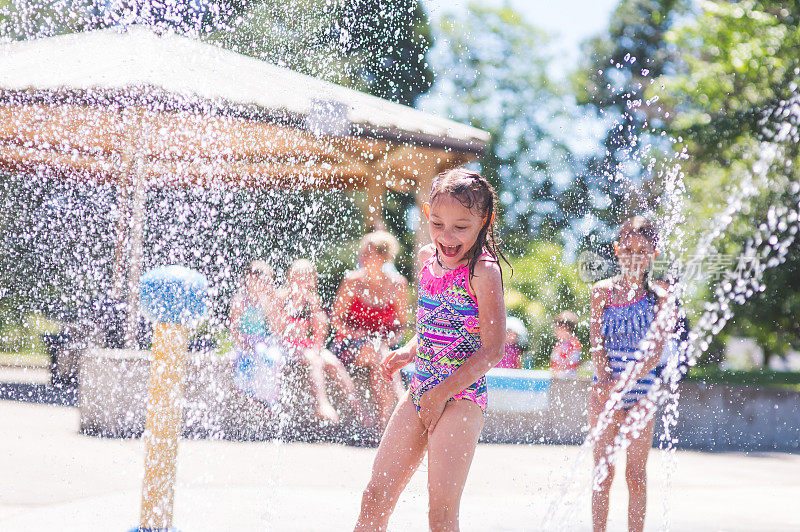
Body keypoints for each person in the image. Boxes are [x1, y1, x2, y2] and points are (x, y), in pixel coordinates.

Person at [354, 168, 508, 532]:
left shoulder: (483, 271)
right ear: (427, 214)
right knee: (375, 496)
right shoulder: (427, 258)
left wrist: (442, 393)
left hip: (461, 398)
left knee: (440, 514)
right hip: (421, 390)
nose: (447, 237)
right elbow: (436, 320)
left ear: (483, 221)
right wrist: (411, 349)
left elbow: (493, 350)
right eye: (438, 224)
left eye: (461, 226)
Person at [588, 216, 676, 532]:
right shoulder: (602, 292)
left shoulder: (661, 298)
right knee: (603, 471)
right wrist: (605, 380)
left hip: (641, 393)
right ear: (616, 250)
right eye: (628, 248)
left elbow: (654, 353)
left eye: (642, 249)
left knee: (635, 474)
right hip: (604, 390)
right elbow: (596, 341)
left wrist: (625, 384)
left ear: (653, 253)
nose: (634, 255)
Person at [331, 231, 410, 430]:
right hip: (351, 345)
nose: (361, 257)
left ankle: (382, 425)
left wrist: (392, 339)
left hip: (383, 346)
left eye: (368, 253)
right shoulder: (352, 281)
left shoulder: (398, 285)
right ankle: (398, 411)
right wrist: (354, 334)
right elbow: (336, 320)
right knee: (379, 354)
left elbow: (402, 325)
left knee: (379, 361)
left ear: (382, 257)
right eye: (362, 253)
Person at [276, 259, 369, 425]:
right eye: (299, 276)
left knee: (334, 363)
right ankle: (322, 403)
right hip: (285, 344)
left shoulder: (312, 300)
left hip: (305, 345)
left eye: (306, 276)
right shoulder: (281, 298)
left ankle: (359, 410)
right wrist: (294, 303)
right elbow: (277, 328)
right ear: (291, 277)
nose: (302, 280)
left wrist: (315, 312)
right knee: (314, 360)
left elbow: (319, 332)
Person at [229, 260, 284, 406]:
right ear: (247, 279)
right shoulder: (240, 301)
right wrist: (244, 344)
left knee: (271, 356)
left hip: (266, 341)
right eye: (256, 274)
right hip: (246, 342)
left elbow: (276, 330)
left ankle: (269, 398)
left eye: (265, 276)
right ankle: (248, 394)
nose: (261, 279)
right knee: (250, 357)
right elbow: (234, 329)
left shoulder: (271, 301)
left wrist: (266, 305)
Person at [550, 310, 582, 377]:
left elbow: (573, 364)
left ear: (566, 328)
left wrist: (558, 370)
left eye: (558, 327)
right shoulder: (560, 344)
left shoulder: (574, 344)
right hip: (558, 377)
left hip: (568, 377)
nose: (555, 330)